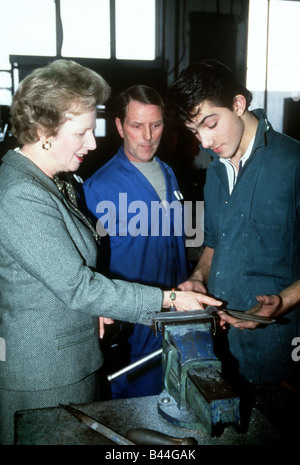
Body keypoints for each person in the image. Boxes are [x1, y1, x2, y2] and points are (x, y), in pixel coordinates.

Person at [0, 60, 222, 445]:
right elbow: (79, 286)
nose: (92, 142)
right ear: (42, 131)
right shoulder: (21, 194)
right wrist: (170, 299)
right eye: (82, 132)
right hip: (45, 375)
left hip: (76, 357)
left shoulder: (56, 182)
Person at [166, 59, 300, 387]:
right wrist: (199, 277)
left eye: (210, 123)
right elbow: (214, 243)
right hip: (223, 345)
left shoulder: (293, 164)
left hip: (282, 351)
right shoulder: (215, 172)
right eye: (195, 131)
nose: (205, 142)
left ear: (238, 104)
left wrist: (283, 302)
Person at [82, 85, 189, 399]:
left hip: (175, 315)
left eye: (155, 125)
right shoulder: (98, 188)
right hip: (132, 327)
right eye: (136, 125)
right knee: (133, 414)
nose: (148, 135)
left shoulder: (169, 174)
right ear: (119, 126)